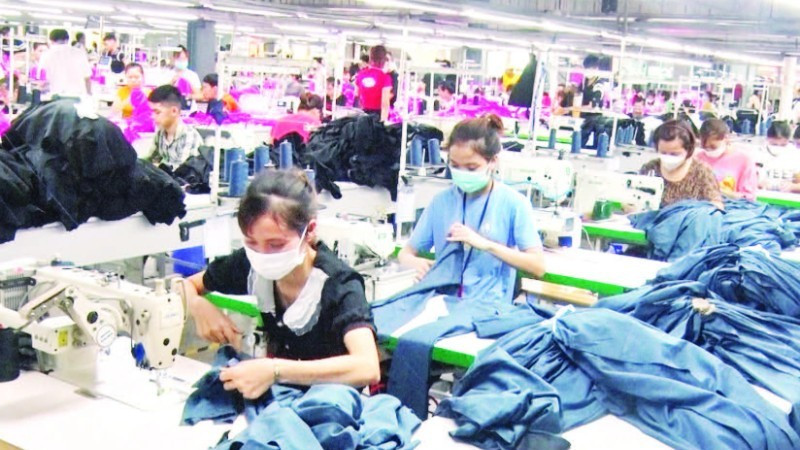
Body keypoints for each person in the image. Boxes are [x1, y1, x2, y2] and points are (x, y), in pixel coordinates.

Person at [183, 169, 380, 398]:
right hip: (281, 397)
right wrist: (198, 306)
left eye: (276, 245)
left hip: (333, 408)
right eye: (251, 242)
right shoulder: (250, 264)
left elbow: (367, 367)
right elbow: (185, 285)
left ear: (310, 231)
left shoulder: (338, 284)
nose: (262, 254)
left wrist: (276, 370)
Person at [398, 114, 546, 303]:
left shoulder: (513, 203)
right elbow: (406, 253)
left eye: (471, 168)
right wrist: (416, 263)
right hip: (441, 304)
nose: (462, 173)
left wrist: (486, 244)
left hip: (489, 311)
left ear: (493, 162)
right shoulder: (441, 202)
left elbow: (538, 266)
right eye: (455, 166)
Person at [639, 120, 724, 209]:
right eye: (663, 153)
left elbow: (716, 205)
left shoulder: (702, 173)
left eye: (675, 154)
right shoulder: (651, 169)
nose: (668, 157)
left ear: (688, 150)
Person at [694, 118, 758, 201]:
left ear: (726, 138)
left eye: (713, 147)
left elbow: (749, 197)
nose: (708, 150)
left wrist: (720, 192)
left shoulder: (743, 160)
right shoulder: (697, 159)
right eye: (704, 147)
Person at [146, 85, 202, 169]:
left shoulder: (189, 136)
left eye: (157, 112)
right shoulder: (160, 133)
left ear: (174, 111)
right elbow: (148, 161)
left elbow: (181, 173)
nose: (153, 117)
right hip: (167, 179)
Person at [39, 29, 91, 98]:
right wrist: (89, 94)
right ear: (67, 39)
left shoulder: (46, 55)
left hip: (56, 96)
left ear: (51, 40)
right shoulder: (79, 53)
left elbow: (42, 79)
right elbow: (87, 77)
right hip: (78, 95)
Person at [760, 121, 800, 192]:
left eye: (783, 145)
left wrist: (792, 187)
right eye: (774, 144)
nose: (778, 148)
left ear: (789, 140)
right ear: (767, 139)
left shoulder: (794, 155)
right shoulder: (759, 153)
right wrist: (758, 183)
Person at [355, 45, 392, 121]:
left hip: (362, 114)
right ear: (384, 59)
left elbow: (356, 95)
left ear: (370, 57)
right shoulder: (385, 78)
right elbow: (385, 104)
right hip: (377, 115)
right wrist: (383, 121)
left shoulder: (361, 74)